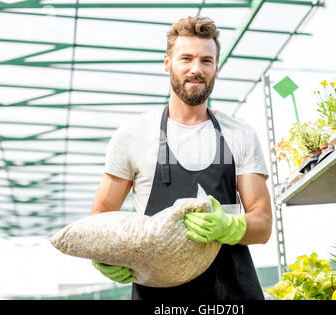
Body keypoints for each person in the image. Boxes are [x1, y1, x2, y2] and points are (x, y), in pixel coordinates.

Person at [90, 16, 272, 300]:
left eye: (206, 61)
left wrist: (231, 226)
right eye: (186, 58)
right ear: (167, 62)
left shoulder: (240, 134)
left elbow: (263, 223)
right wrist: (104, 254)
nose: (196, 69)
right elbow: (100, 216)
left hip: (232, 294)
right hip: (159, 297)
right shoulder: (132, 135)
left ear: (216, 67)